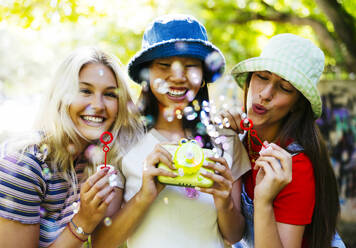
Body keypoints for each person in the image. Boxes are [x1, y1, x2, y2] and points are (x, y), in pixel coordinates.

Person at [92, 14, 251, 248]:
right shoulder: (123, 139)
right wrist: (145, 196)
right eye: (164, 65)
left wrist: (224, 201)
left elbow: (234, 236)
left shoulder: (226, 139)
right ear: (146, 75)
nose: (177, 77)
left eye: (190, 66)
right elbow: (102, 243)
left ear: (204, 76)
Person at [0, 47, 143, 247]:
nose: (98, 105)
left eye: (110, 94)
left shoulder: (89, 159)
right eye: (85, 91)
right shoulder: (23, 166)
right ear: (61, 96)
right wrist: (84, 221)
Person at [221, 34, 344, 248]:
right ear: (249, 80)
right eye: (262, 77)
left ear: (297, 104)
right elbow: (232, 235)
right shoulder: (239, 138)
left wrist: (264, 200)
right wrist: (227, 145)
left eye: (285, 88)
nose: (266, 94)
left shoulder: (296, 165)